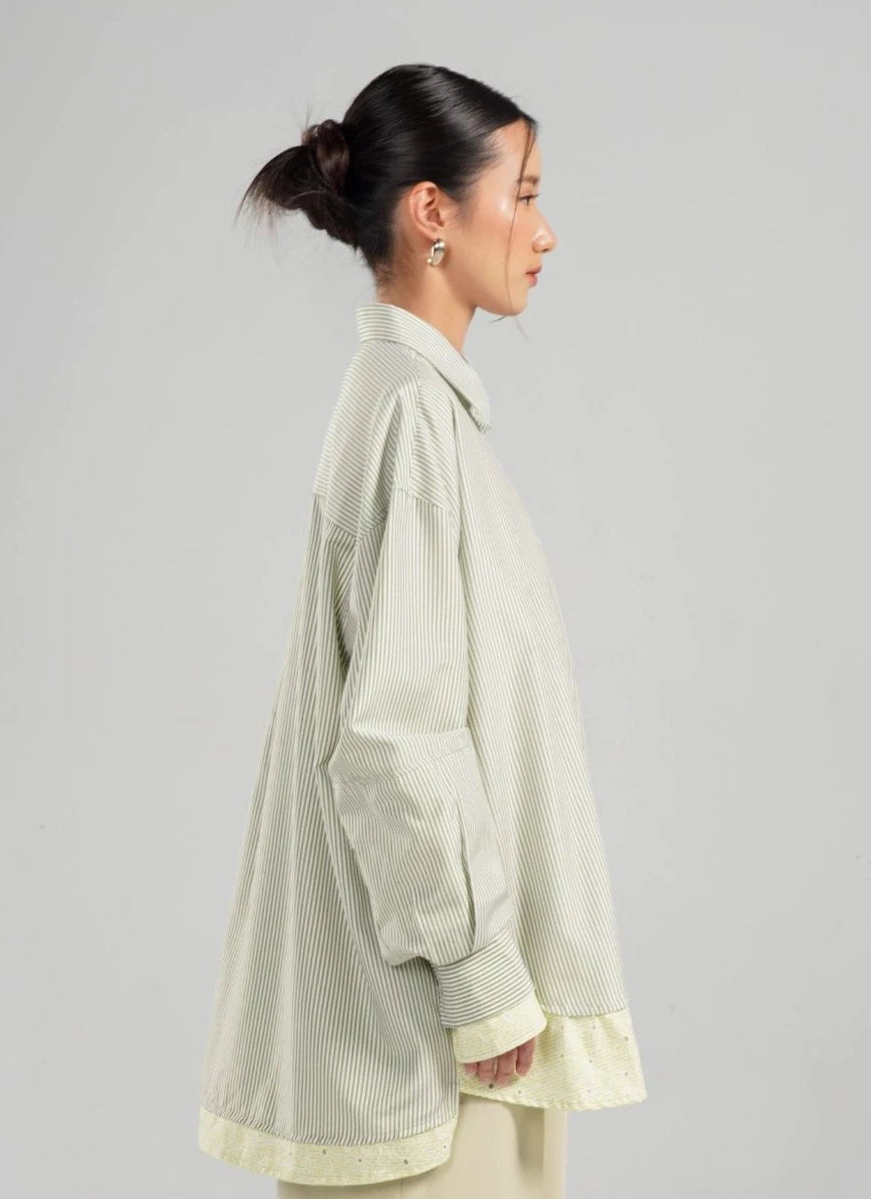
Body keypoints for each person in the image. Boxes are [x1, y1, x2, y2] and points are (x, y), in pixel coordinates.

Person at [197, 63, 648, 1198]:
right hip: (435, 1049)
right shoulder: (408, 418)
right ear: (433, 211)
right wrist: (483, 969)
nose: (545, 231)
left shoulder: (415, 411)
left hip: (452, 1040)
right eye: (523, 194)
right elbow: (397, 736)